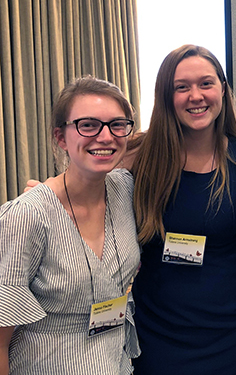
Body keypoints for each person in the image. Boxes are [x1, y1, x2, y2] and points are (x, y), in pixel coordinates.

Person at [128, 45, 236, 374]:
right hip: (157, 329)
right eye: (181, 87)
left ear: (223, 90)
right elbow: (81, 186)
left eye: (206, 83)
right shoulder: (138, 155)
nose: (195, 96)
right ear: (166, 96)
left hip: (227, 327)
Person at [0, 76, 140, 374]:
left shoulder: (125, 188)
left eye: (117, 124)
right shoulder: (27, 217)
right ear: (61, 137)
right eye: (88, 125)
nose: (105, 137)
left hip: (116, 361)